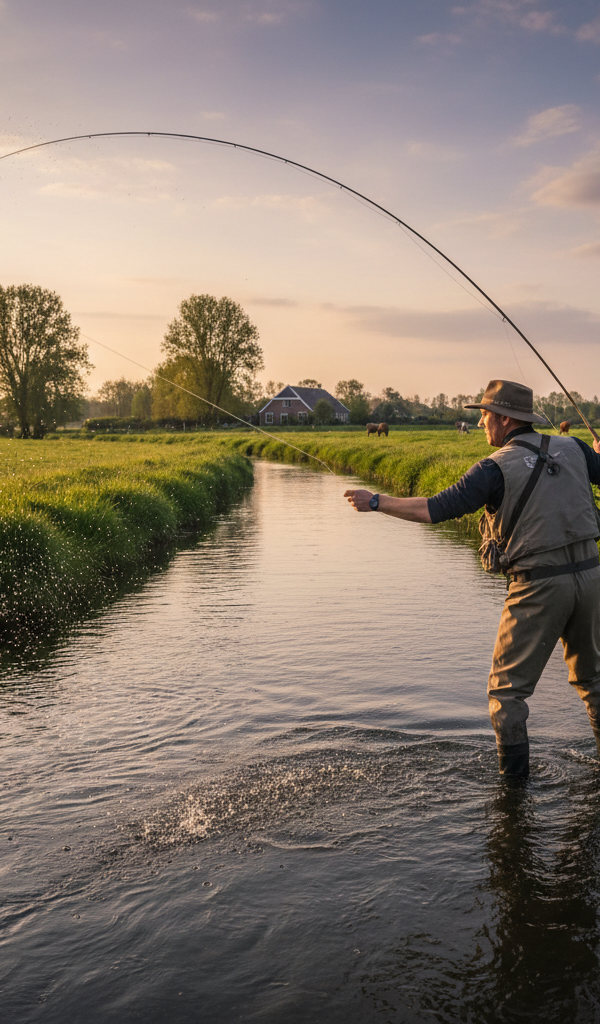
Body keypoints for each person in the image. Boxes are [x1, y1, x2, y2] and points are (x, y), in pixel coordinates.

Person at [344, 379, 600, 777]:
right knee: (593, 682)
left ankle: (513, 795)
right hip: (591, 577)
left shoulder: (493, 468)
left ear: (503, 418)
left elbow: (434, 509)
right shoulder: (577, 449)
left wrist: (376, 501)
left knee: (505, 693)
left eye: (483, 415)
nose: (481, 423)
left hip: (538, 585)